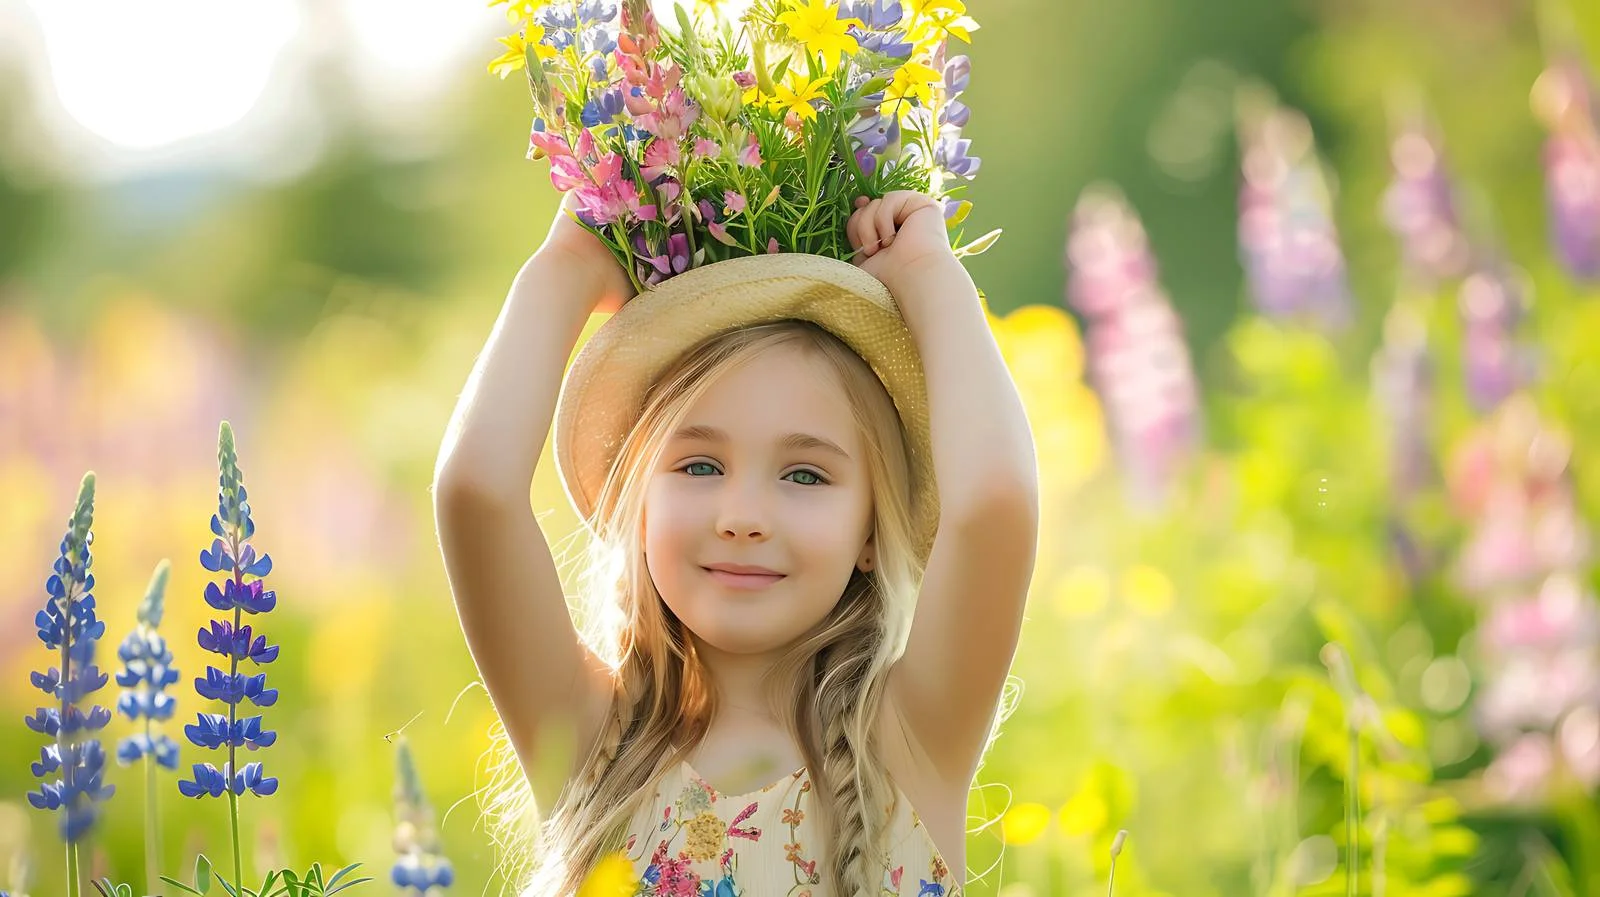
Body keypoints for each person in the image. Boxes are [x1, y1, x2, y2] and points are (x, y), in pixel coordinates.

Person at [432, 188, 1038, 896]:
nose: (743, 515)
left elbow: (995, 503)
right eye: (699, 465)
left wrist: (932, 277)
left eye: (806, 474)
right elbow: (477, 491)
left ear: (871, 530)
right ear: (640, 503)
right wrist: (565, 265)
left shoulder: (909, 743)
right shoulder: (595, 740)